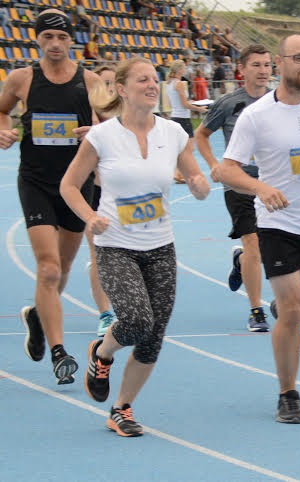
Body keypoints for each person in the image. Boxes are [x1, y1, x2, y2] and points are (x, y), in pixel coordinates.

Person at [60, 56, 210, 436]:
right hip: (115, 245)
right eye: (142, 79)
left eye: (154, 79)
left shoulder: (173, 133)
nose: (151, 85)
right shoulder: (102, 137)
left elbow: (194, 175)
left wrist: (198, 185)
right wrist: (89, 217)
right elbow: (69, 186)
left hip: (160, 246)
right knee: (137, 320)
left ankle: (122, 408)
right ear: (122, 89)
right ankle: (102, 353)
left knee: (153, 336)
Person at [211, 34, 300, 424]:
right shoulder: (256, 115)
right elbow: (226, 169)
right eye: (299, 58)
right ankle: (288, 393)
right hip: (277, 223)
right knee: (292, 309)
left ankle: (281, 312)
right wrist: (261, 188)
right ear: (280, 62)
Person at [0, 9, 102, 384]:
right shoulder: (22, 78)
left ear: (71, 40)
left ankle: (38, 317)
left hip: (75, 185)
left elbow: (116, 123)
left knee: (63, 267)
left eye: (62, 37)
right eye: (48, 37)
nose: (55, 44)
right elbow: (1, 112)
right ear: (37, 39)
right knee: (49, 268)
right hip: (36, 182)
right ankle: (60, 353)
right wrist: (4, 130)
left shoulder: (90, 81)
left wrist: (96, 132)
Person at [194, 44, 273, 333]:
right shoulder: (230, 103)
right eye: (256, 65)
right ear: (242, 69)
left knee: (268, 247)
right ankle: (256, 311)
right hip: (238, 183)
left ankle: (240, 261)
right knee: (253, 243)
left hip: (271, 184)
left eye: (267, 65)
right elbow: (201, 134)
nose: (263, 70)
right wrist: (215, 164)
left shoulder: (278, 102)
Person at [88, 65, 117, 337]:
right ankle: (105, 314)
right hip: (94, 194)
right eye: (104, 83)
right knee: (98, 254)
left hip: (123, 197)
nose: (109, 89)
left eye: (113, 83)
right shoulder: (86, 121)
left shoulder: (128, 119)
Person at [165, 59, 207, 183]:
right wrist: (200, 109)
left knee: (181, 148)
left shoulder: (169, 84)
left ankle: (178, 173)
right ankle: (180, 173)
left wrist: (192, 103)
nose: (185, 70)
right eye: (184, 68)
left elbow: (174, 103)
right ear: (179, 70)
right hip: (183, 118)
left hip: (175, 117)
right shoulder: (179, 84)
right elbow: (184, 104)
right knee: (189, 148)